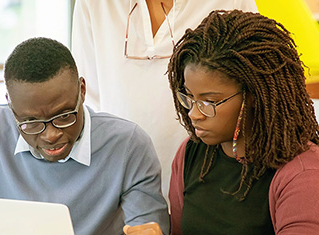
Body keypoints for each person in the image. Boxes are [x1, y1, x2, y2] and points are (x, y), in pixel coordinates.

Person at [0, 37, 172, 235]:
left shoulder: (128, 146)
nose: (51, 135)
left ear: (82, 90)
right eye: (31, 122)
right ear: (10, 104)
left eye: (64, 116)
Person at [72, 0, 259, 205]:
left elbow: (256, 91)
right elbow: (90, 105)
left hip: (215, 186)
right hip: (124, 193)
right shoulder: (94, 5)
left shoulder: (230, 2)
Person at [167, 9, 319, 235]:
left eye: (209, 102)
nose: (193, 114)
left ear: (255, 97)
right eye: (189, 98)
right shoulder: (190, 154)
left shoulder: (303, 176)